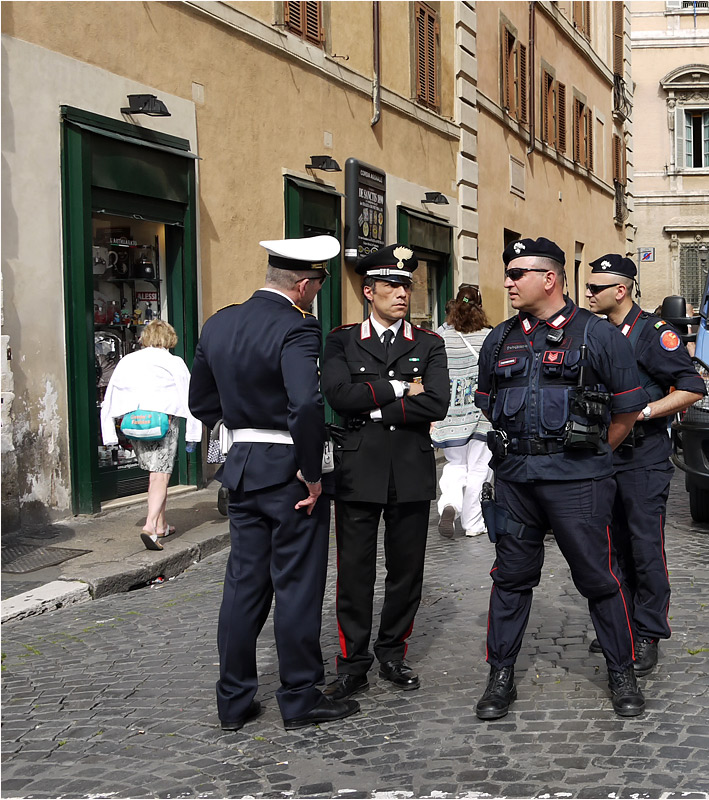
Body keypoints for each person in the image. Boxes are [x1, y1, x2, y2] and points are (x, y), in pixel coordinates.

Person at [472, 237, 650, 720]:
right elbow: (488, 401)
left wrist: (592, 454)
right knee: (510, 579)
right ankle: (500, 676)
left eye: (517, 274)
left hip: (578, 480)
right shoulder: (500, 338)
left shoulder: (598, 334)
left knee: (599, 578)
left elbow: (627, 408)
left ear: (548, 278)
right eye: (507, 273)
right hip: (515, 480)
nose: (507, 282)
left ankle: (622, 673)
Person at [188, 234, 359, 732]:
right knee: (298, 586)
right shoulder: (297, 329)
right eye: (317, 286)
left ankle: (234, 700)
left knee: (244, 586)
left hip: (241, 469)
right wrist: (309, 471)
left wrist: (241, 431)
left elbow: (202, 402)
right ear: (304, 285)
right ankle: (300, 696)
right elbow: (305, 404)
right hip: (289, 474)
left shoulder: (218, 323)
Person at [320, 244, 450, 702]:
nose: (402, 292)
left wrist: (373, 407)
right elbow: (337, 394)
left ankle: (392, 651)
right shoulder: (341, 340)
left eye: (407, 284)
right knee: (354, 572)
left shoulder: (429, 344)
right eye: (392, 285)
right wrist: (398, 390)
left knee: (406, 571)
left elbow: (436, 402)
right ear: (367, 290)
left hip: (411, 470)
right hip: (358, 470)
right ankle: (352, 662)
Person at [584, 255, 706, 677]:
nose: (587, 293)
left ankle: (649, 631)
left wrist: (646, 411)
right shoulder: (594, 331)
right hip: (602, 455)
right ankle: (621, 627)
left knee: (644, 546)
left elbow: (693, 388)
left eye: (595, 287)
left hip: (642, 457)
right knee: (608, 547)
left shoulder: (655, 333)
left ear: (620, 290)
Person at [99, 319, 202, 551]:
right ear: (169, 339)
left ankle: (162, 525)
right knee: (160, 476)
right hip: (162, 423)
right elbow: (190, 395)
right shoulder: (173, 362)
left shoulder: (128, 361)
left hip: (136, 424)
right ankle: (149, 526)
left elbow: (112, 392)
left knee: (155, 475)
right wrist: (193, 434)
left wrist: (109, 434)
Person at [431, 284, 493, 538]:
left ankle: (450, 504)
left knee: (455, 464)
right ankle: (472, 522)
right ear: (479, 307)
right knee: (480, 466)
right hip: (481, 412)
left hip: (450, 411)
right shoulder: (489, 336)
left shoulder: (440, 337)